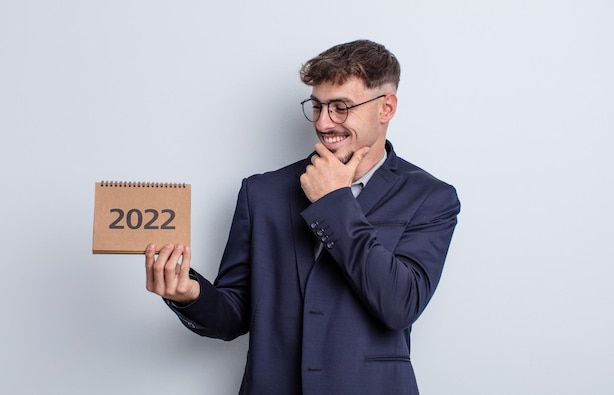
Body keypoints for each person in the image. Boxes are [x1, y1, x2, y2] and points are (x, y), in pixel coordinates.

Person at [144, 39, 460, 395]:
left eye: (341, 108)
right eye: (318, 106)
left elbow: (399, 305)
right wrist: (189, 294)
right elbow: (235, 314)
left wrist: (335, 201)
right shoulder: (262, 193)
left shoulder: (430, 198)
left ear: (386, 107)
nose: (324, 123)